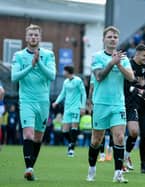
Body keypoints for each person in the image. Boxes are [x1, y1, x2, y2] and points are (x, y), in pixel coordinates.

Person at [86, 26, 134, 183]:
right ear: (103, 39)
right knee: (96, 141)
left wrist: (119, 64)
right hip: (100, 104)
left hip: (118, 104)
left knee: (119, 138)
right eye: (110, 37)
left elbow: (131, 77)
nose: (112, 39)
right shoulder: (97, 57)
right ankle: (92, 169)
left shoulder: (124, 58)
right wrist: (112, 63)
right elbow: (99, 76)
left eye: (115, 37)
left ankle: (118, 174)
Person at [11, 24, 56, 181]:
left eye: (36, 35)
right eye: (30, 35)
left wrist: (39, 63)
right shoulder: (19, 55)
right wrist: (31, 66)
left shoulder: (48, 54)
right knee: (28, 134)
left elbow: (52, 76)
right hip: (27, 100)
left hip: (43, 101)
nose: (33, 37)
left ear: (40, 37)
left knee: (38, 138)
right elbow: (14, 77)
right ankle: (29, 168)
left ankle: (30, 168)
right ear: (26, 37)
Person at [123, 43, 145, 171]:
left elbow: (141, 83)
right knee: (118, 134)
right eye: (144, 56)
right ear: (137, 54)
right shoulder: (127, 64)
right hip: (120, 102)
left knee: (134, 132)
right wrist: (139, 90)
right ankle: (119, 162)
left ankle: (126, 156)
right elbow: (124, 86)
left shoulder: (144, 68)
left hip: (133, 103)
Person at [52, 65, 87, 157]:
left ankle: (71, 149)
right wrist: (56, 102)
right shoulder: (66, 82)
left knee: (74, 127)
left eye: (64, 71)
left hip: (76, 107)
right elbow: (62, 93)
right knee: (64, 131)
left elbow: (83, 94)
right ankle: (72, 142)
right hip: (67, 108)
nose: (63, 73)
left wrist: (83, 107)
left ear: (67, 72)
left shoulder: (78, 81)